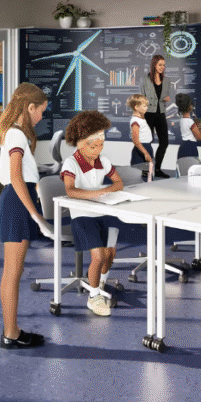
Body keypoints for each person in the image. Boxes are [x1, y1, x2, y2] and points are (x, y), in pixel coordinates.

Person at [0, 82, 51, 349]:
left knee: (13, 272)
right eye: (40, 111)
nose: (41, 117)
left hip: (16, 200)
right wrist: (36, 215)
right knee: (12, 272)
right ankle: (11, 333)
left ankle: (12, 329)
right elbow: (16, 177)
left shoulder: (14, 134)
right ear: (29, 107)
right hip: (17, 203)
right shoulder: (16, 136)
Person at [60, 110, 126, 318]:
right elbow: (70, 191)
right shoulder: (71, 163)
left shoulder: (102, 160)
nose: (98, 150)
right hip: (81, 215)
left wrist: (107, 192)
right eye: (93, 146)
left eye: (101, 145)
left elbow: (119, 182)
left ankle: (100, 282)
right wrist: (99, 192)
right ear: (80, 143)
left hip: (101, 211)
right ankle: (93, 296)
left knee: (110, 253)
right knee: (97, 256)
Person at [140, 53, 172, 177]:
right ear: (154, 65)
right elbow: (141, 98)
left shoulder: (167, 80)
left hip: (161, 113)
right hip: (148, 114)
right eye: (160, 64)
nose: (162, 67)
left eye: (164, 65)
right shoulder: (144, 79)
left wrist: (166, 98)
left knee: (164, 143)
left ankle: (157, 169)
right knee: (146, 142)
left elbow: (164, 96)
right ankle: (145, 169)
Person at [127, 93, 153, 178]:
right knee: (140, 175)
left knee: (148, 174)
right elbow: (135, 140)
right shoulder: (135, 122)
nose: (147, 107)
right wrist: (145, 153)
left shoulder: (140, 117)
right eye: (144, 106)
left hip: (147, 147)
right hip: (141, 150)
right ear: (136, 107)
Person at [175, 93, 201, 160]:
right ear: (189, 107)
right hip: (190, 148)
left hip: (182, 148)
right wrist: (199, 127)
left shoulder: (182, 120)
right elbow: (200, 137)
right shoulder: (190, 122)